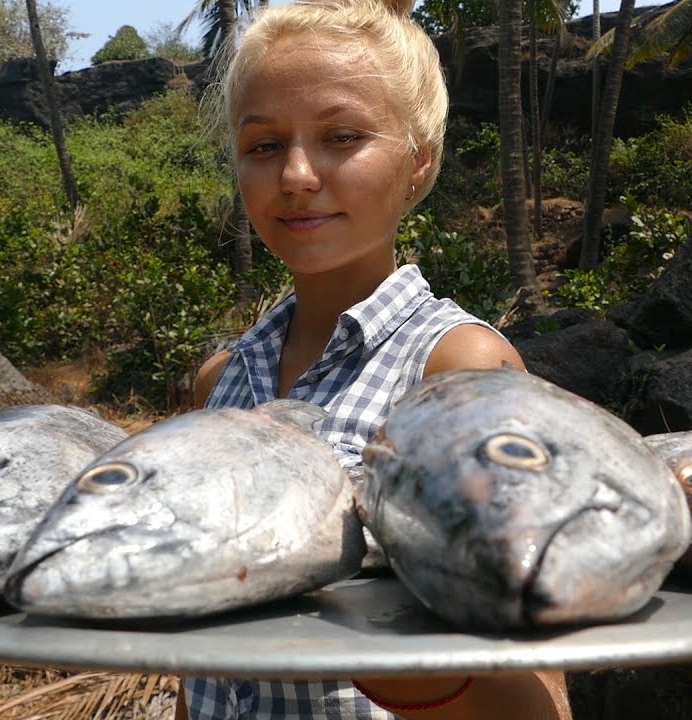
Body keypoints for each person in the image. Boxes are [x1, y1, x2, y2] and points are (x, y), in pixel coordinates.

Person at [178, 0, 572, 717]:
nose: (296, 174)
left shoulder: (454, 370)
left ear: (419, 160)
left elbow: (543, 694)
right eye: (263, 146)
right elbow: (202, 673)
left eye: (343, 137)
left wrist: (418, 675)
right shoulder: (222, 381)